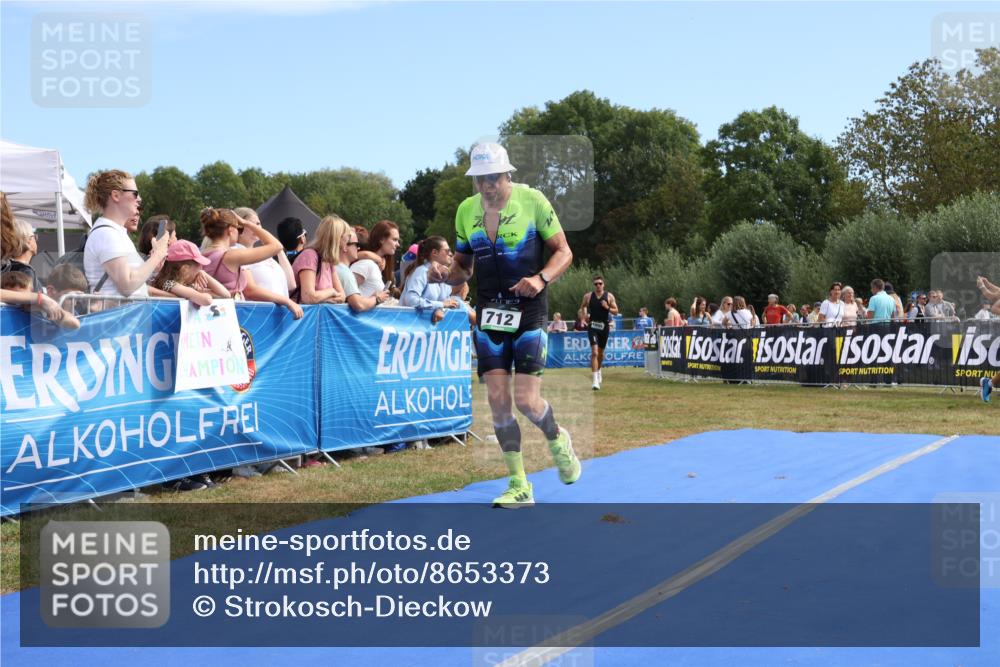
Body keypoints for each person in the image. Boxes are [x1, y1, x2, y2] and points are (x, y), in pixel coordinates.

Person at [437, 141, 578, 509]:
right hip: (489, 314)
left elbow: (564, 251)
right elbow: (463, 267)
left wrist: (541, 278)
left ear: (507, 174)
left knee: (526, 401)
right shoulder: (466, 211)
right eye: (480, 179)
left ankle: (557, 437)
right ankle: (519, 484)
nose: (487, 185)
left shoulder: (533, 201)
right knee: (498, 403)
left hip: (528, 310)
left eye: (494, 178)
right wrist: (445, 275)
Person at [81, 170, 168, 302]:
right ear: (116, 195)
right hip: (118, 314)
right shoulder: (107, 234)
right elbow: (127, 285)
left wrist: (153, 266)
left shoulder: (114, 232)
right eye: (135, 194)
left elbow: (131, 282)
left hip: (124, 312)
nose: (139, 199)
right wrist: (158, 255)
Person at [201, 208, 303, 319]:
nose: (239, 232)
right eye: (239, 229)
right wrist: (247, 223)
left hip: (211, 315)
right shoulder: (231, 255)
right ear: (230, 230)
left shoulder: (202, 254)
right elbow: (277, 246)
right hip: (230, 316)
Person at [233, 207, 296, 299]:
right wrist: (286, 301)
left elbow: (291, 284)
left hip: (280, 307)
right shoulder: (236, 251)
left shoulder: (266, 256)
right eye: (250, 224)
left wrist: (278, 250)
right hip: (261, 307)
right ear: (239, 227)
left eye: (258, 224)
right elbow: (249, 291)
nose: (257, 228)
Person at [331, 216, 389, 313]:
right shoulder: (344, 272)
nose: (358, 248)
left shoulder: (333, 266)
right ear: (345, 247)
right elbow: (358, 304)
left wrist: (372, 299)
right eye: (356, 245)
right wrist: (377, 299)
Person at [401, 235, 461, 322]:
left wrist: (440, 308)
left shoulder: (445, 276)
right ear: (434, 253)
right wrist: (441, 304)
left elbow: (446, 303)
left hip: (424, 326)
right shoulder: (421, 272)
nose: (451, 254)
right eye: (447, 251)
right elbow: (411, 300)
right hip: (407, 324)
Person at [151, 240, 230, 306]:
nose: (201, 269)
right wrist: (199, 292)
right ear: (185, 270)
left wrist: (204, 274)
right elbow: (206, 300)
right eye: (200, 267)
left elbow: (225, 295)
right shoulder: (169, 284)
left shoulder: (185, 285)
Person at [291, 214, 347, 305]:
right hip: (301, 313)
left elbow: (342, 296)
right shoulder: (310, 256)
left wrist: (323, 297)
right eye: (347, 236)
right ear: (337, 238)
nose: (348, 241)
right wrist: (331, 292)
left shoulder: (328, 261)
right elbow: (308, 297)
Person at [581, 275, 619, 390]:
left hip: (604, 327)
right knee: (595, 352)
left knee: (601, 354)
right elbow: (583, 306)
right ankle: (595, 381)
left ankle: (598, 370)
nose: (598, 285)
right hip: (592, 326)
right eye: (596, 284)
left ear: (603, 284)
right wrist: (584, 317)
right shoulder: (588, 296)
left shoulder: (609, 296)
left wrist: (607, 307)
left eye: (600, 283)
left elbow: (616, 311)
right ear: (594, 285)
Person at [352, 220, 401, 299]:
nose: (398, 244)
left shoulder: (383, 265)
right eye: (394, 240)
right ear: (382, 239)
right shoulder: (365, 264)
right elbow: (347, 293)